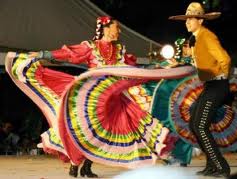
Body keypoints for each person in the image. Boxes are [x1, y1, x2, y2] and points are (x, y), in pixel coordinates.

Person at [7, 16, 189, 178]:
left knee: (106, 132)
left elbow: (132, 69)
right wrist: (43, 54)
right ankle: (74, 164)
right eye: (116, 27)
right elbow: (69, 54)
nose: (119, 30)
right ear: (106, 28)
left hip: (113, 99)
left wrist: (161, 68)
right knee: (85, 130)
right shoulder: (91, 47)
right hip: (91, 100)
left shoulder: (120, 50)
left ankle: (86, 167)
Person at [169, 2, 231, 177]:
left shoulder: (206, 36)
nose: (187, 22)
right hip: (210, 86)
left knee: (200, 125)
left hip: (217, 85)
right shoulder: (195, 38)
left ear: (201, 21)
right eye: (186, 19)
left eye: (191, 19)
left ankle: (222, 167)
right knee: (194, 124)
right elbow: (199, 62)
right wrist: (180, 64)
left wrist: (221, 78)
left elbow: (224, 59)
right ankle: (212, 165)